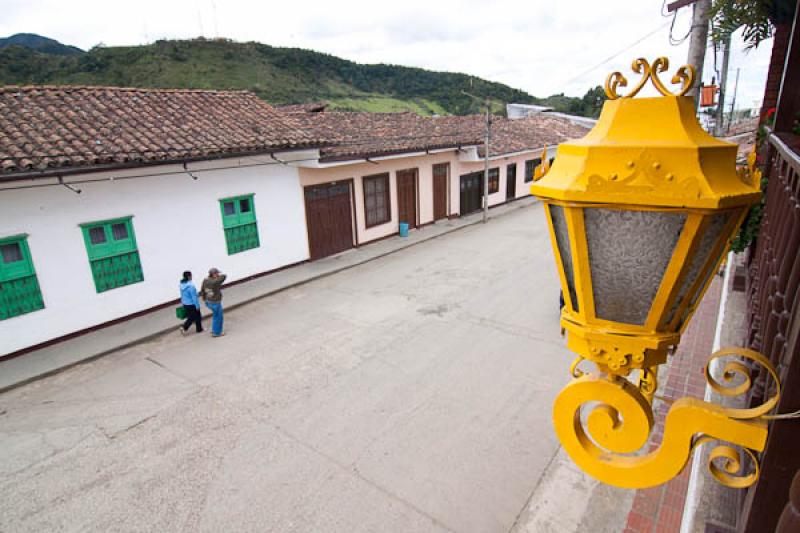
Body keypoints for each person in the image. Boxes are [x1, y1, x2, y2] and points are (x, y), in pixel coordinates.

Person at [201, 267, 227, 337]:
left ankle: (214, 330)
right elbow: (224, 276)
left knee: (215, 316)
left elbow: (202, 290)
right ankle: (217, 333)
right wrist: (217, 276)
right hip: (215, 302)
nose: (218, 274)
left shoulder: (205, 280)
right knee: (219, 317)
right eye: (217, 273)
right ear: (214, 274)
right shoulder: (215, 282)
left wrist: (204, 298)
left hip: (208, 301)